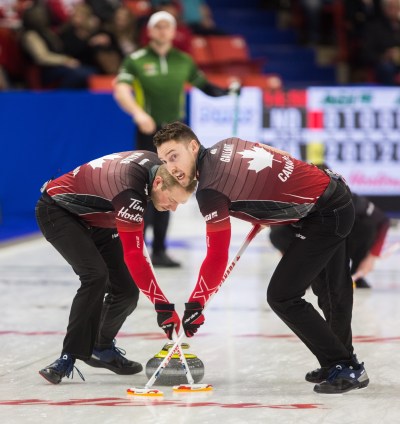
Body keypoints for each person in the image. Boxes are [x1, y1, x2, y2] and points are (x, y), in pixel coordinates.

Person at [154, 121, 369, 395]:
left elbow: (217, 254)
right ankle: (339, 362)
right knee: (328, 289)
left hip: (326, 213)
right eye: (164, 160)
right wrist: (267, 207)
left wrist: (197, 300)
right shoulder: (227, 144)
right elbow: (275, 154)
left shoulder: (209, 190)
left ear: (193, 146)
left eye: (174, 156)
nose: (171, 167)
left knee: (283, 295)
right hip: (329, 193)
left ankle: (344, 363)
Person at [36, 151, 195, 384]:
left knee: (126, 290)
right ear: (158, 182)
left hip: (98, 214)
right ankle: (68, 357)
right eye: (172, 200)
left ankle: (100, 347)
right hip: (59, 211)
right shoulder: (129, 192)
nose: (173, 209)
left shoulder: (157, 168)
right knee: (95, 276)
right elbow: (135, 255)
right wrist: (162, 305)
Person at [113, 10, 239, 267]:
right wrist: (138, 113)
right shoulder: (136, 60)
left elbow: (206, 87)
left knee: (171, 185)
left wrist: (230, 91)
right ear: (150, 31)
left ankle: (159, 249)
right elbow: (120, 89)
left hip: (175, 136)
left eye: (166, 27)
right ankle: (137, 250)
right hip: (148, 130)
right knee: (145, 188)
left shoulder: (184, 60)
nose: (162, 31)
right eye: (157, 27)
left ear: (173, 31)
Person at [270, 189, 390, 289]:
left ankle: (353, 274)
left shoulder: (348, 199)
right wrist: (288, 258)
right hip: (306, 241)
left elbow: (382, 221)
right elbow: (277, 231)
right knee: (279, 232)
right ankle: (302, 274)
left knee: (366, 227)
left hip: (339, 240)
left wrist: (372, 257)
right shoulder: (292, 200)